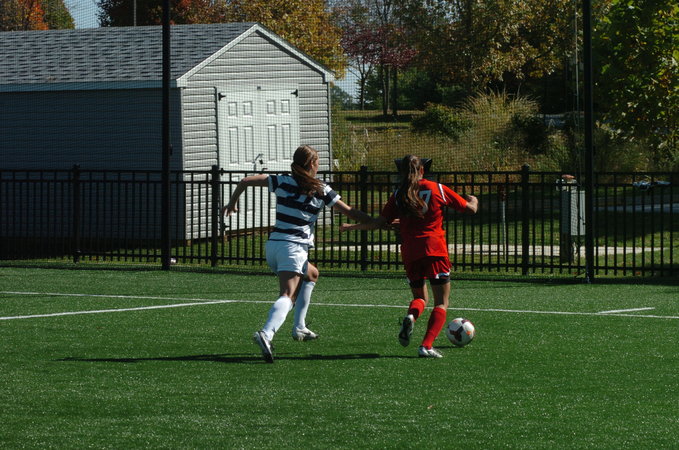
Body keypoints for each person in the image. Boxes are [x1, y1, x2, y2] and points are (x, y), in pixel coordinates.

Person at [223, 145, 372, 363]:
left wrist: (232, 202)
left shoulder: (282, 181)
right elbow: (349, 211)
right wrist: (376, 221)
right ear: (311, 164)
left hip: (274, 246)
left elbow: (245, 181)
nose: (318, 165)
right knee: (287, 294)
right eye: (318, 161)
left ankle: (299, 327)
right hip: (293, 248)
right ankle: (266, 333)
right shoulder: (321, 189)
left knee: (311, 274)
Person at [340, 155, 478, 358]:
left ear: (402, 172)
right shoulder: (437, 188)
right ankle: (426, 346)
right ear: (422, 170)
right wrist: (474, 200)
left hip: (410, 251)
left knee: (420, 297)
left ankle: (411, 318)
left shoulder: (399, 194)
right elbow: (471, 209)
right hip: (434, 249)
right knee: (441, 302)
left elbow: (379, 222)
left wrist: (352, 227)